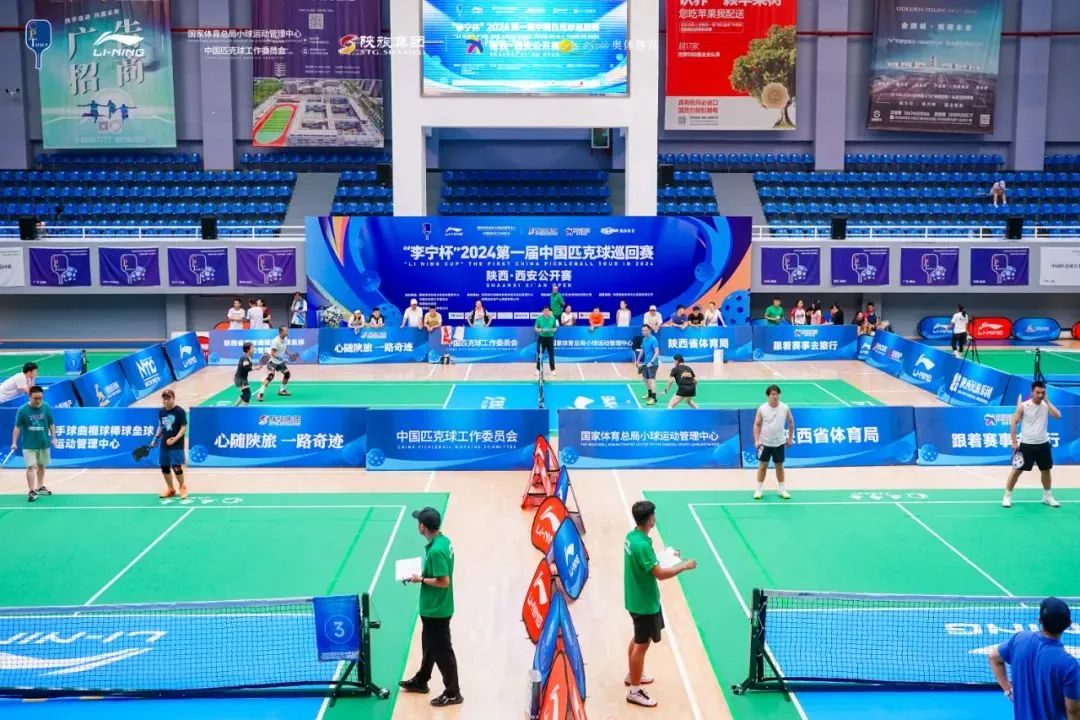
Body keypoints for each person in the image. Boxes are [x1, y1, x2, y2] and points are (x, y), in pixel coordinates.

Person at [624, 500, 696, 708]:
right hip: (644, 603)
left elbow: (647, 561)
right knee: (641, 644)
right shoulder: (641, 545)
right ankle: (634, 691)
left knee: (639, 638)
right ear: (649, 519)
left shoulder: (633, 537)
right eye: (653, 515)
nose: (655, 518)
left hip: (634, 597)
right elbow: (660, 574)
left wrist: (666, 556)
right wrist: (684, 565)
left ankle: (633, 674)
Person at [400, 507, 462, 707]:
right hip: (433, 608)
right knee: (429, 644)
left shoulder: (435, 551)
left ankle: (453, 693)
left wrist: (421, 579)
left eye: (418, 521)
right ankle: (422, 679)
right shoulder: (443, 541)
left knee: (442, 652)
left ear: (422, 527)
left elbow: (444, 581)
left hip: (437, 610)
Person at [989, 597, 1079, 719]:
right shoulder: (1069, 665)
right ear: (1069, 624)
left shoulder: (1019, 639)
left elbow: (993, 658)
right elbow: (1073, 712)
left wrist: (1009, 691)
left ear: (1039, 620)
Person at [1004, 381, 1061, 509]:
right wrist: (1014, 442)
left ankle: (1047, 496)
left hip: (1043, 444)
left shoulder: (1046, 405)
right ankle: (1007, 496)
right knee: (1016, 471)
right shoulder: (1023, 406)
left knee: (1046, 471)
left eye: (1043, 393)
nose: (1040, 395)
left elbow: (1058, 416)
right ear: (1032, 392)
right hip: (1026, 445)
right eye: (1038, 392)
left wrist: (1047, 401)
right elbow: (1013, 423)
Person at [10, 385, 55, 503]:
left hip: (43, 442)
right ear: (29, 397)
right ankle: (31, 490)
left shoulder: (46, 407)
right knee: (30, 467)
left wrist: (54, 438)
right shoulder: (22, 410)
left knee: (41, 465)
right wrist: (14, 442)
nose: (38, 401)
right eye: (35, 398)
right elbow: (17, 427)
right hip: (29, 444)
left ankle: (40, 486)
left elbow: (51, 424)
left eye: (40, 398)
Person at [753, 385, 794, 500]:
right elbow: (757, 424)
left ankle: (782, 489)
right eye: (772, 394)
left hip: (779, 443)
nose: (775, 396)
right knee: (762, 466)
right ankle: (759, 490)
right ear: (768, 396)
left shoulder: (785, 408)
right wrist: (756, 440)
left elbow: (791, 423)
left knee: (779, 466)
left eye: (777, 394)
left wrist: (790, 438)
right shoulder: (762, 408)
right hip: (764, 443)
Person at [151, 389, 188, 500]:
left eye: (168, 398)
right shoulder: (161, 412)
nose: (166, 401)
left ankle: (182, 487)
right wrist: (155, 439)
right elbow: (160, 426)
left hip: (176, 444)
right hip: (165, 444)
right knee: (164, 467)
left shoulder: (179, 411)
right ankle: (171, 489)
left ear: (173, 398)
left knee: (176, 467)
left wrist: (175, 439)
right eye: (164, 398)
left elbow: (183, 427)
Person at [256, 326, 293, 402]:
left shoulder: (285, 339)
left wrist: (290, 355)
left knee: (287, 374)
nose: (287, 332)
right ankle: (260, 393)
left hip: (279, 362)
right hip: (272, 361)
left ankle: (282, 390)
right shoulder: (275, 341)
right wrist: (281, 359)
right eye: (286, 331)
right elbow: (272, 353)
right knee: (270, 377)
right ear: (281, 332)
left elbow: (285, 350)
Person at [638, 325, 661, 406]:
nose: (644, 332)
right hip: (646, 363)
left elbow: (657, 352)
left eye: (645, 330)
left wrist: (651, 362)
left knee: (652, 380)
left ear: (649, 330)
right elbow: (642, 350)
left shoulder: (653, 339)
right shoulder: (644, 339)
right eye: (643, 330)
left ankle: (654, 399)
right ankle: (649, 393)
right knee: (645, 379)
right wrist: (638, 360)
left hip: (653, 364)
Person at [535, 306, 557, 375]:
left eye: (547, 311)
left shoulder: (553, 318)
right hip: (541, 338)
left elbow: (555, 327)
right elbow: (535, 328)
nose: (546, 312)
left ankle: (552, 369)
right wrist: (538, 330)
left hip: (550, 338)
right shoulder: (539, 318)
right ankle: (538, 369)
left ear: (549, 311)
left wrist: (554, 330)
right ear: (543, 311)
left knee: (551, 355)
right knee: (540, 354)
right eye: (545, 310)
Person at [234, 341, 254, 406]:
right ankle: (244, 410)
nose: (254, 349)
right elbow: (246, 367)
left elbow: (247, 367)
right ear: (248, 350)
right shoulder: (245, 357)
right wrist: (255, 368)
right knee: (247, 394)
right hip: (240, 379)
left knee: (245, 394)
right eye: (252, 348)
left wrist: (255, 367)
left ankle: (234, 407)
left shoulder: (248, 356)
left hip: (242, 378)